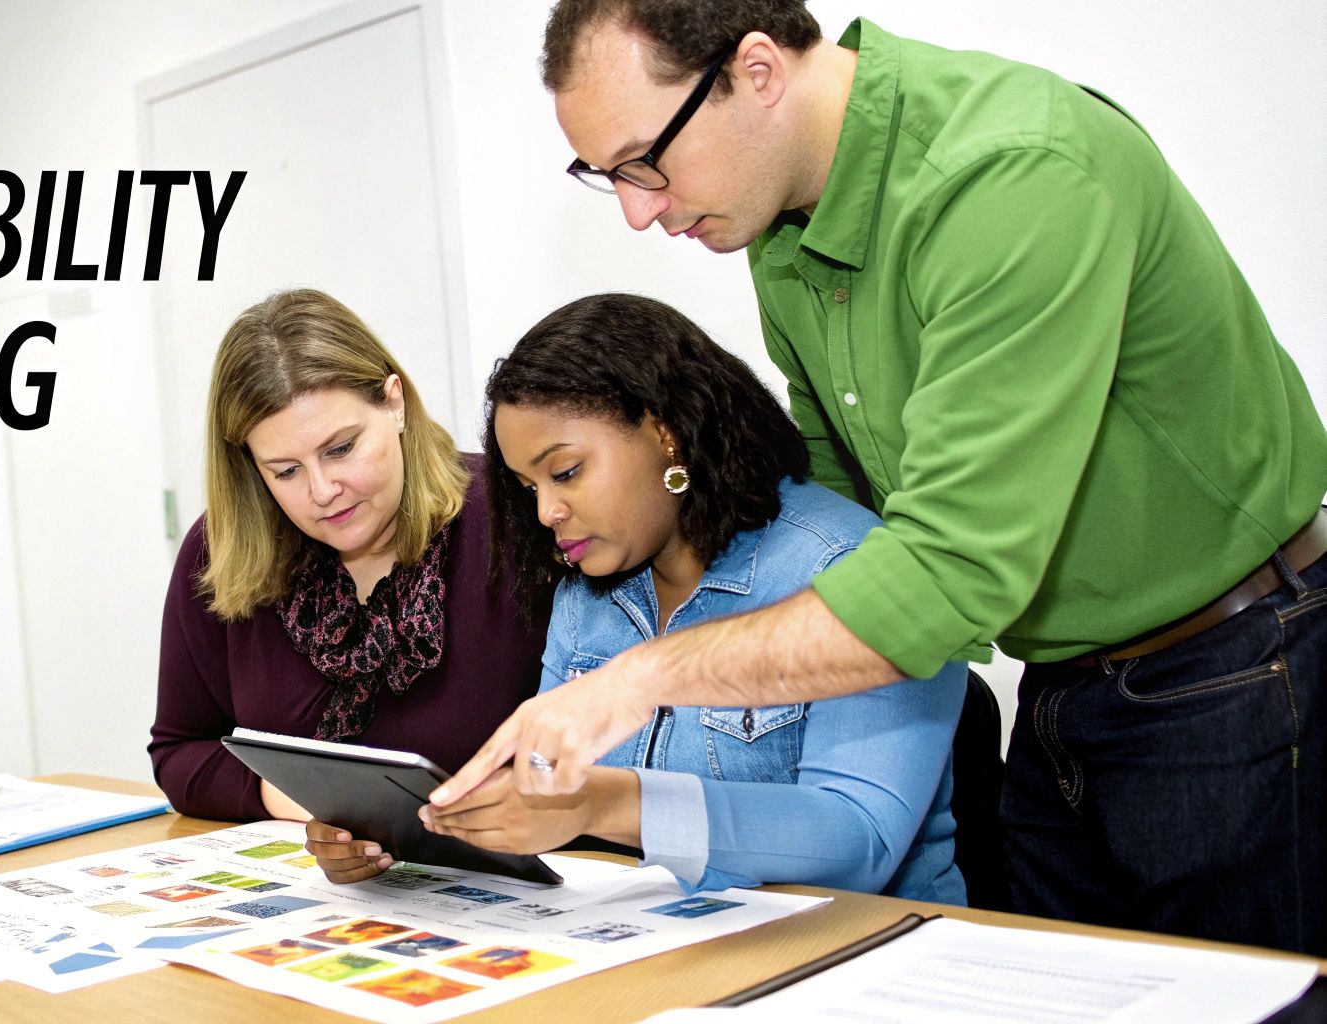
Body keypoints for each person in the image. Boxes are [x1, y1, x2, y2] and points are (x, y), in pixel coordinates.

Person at [433, 0, 1327, 954]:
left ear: (759, 70)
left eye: (646, 160)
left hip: (1227, 664)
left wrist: (641, 680)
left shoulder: (1009, 174)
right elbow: (835, 498)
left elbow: (943, 572)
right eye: (606, 176)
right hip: (1064, 685)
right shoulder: (776, 227)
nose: (639, 208)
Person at [319, 293, 966, 904]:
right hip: (661, 945)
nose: (546, 511)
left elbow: (858, 841)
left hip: (860, 955)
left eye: (566, 471)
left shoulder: (848, 565)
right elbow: (546, 787)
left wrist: (608, 803)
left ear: (666, 434)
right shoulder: (587, 590)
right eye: (527, 485)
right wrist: (410, 838)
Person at [148, 289, 545, 823]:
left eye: (341, 449)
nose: (322, 490)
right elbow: (180, 751)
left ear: (394, 403)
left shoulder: (518, 516)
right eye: (285, 470)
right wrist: (322, 805)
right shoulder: (221, 550)